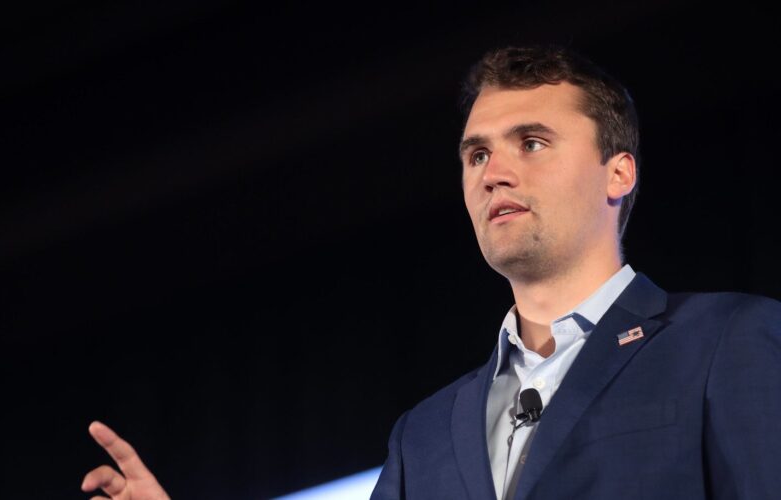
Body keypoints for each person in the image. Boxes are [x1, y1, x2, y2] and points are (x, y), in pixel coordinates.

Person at [81, 44, 781, 500]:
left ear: (618, 172)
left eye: (531, 143)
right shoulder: (424, 434)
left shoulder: (728, 342)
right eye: (476, 155)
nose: (495, 171)